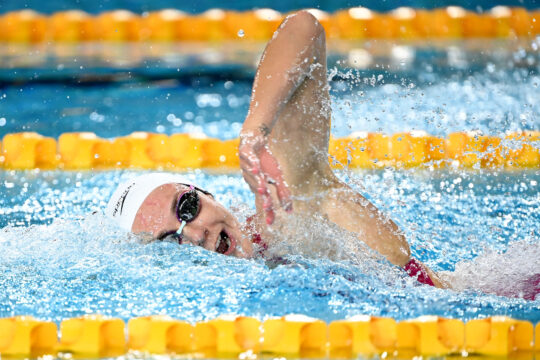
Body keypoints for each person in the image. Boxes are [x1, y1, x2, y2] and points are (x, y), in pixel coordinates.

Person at [106, 11, 449, 289]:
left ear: (206, 193)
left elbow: (303, 28)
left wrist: (255, 132)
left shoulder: (286, 212)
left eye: (187, 208)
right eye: (170, 241)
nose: (198, 234)